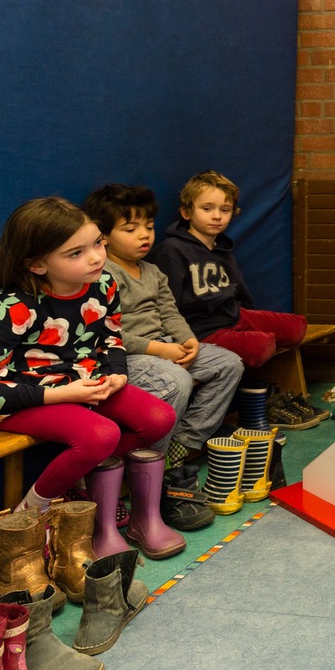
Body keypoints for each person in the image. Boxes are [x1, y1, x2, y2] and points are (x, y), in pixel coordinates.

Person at [0, 197, 184, 557]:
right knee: (101, 435)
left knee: (159, 417)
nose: (96, 256)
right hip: (26, 394)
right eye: (76, 253)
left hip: (81, 382)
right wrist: (62, 395)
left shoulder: (104, 283)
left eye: (98, 243)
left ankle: (91, 499)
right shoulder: (13, 305)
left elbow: (111, 337)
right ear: (37, 265)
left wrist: (117, 375)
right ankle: (31, 515)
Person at [83, 184, 244, 469]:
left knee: (229, 363)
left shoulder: (153, 271)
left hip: (163, 345)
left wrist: (187, 339)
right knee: (175, 381)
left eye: (148, 226)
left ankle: (182, 443)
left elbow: (169, 312)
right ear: (103, 236)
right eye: (131, 229)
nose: (144, 235)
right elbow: (105, 333)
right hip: (124, 357)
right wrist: (159, 349)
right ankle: (147, 464)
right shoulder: (102, 274)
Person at [146, 170, 315, 426]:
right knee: (262, 346)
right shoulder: (172, 250)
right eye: (207, 208)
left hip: (234, 316)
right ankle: (260, 397)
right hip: (203, 329)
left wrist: (251, 319)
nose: (216, 216)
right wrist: (182, 339)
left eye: (224, 210)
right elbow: (168, 306)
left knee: (297, 326)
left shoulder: (222, 249)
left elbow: (240, 293)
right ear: (186, 212)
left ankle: (266, 388)